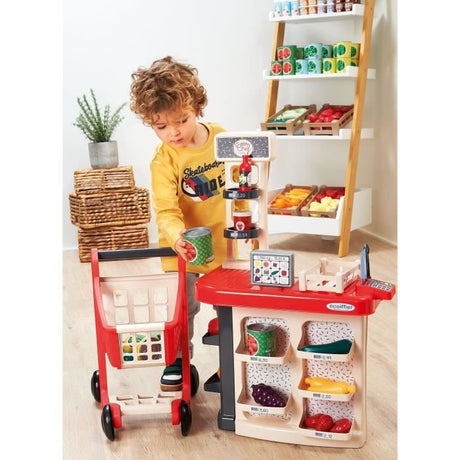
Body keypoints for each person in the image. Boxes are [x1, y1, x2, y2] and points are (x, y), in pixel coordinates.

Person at [130, 56, 226, 391]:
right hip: (182, 249)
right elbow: (166, 209)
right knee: (181, 307)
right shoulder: (164, 159)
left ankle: (233, 359)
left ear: (197, 107)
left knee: (229, 307)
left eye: (181, 121)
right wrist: (176, 237)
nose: (173, 132)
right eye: (161, 127)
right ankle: (178, 359)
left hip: (224, 245)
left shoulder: (222, 139)